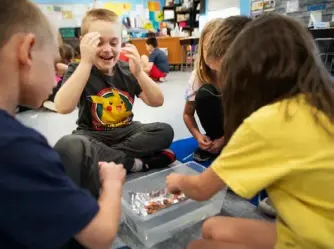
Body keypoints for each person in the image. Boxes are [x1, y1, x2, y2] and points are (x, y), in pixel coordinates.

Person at [166, 13, 334, 249]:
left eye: (224, 74)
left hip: (315, 242)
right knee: (211, 227)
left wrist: (175, 179)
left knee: (197, 246)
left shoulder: (265, 123)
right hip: (313, 229)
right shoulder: (320, 101)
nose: (221, 83)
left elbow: (200, 189)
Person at [0, 1, 128, 249]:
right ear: (27, 51)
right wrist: (113, 184)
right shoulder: (11, 144)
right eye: (52, 62)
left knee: (76, 148)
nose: (54, 78)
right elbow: (101, 237)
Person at [54, 9, 175, 177]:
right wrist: (85, 63)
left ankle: (105, 158)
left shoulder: (127, 70)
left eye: (113, 42)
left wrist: (139, 73)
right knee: (71, 144)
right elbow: (62, 107)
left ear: (121, 43)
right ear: (84, 44)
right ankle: (139, 163)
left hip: (127, 131)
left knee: (164, 130)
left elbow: (157, 101)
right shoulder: (78, 70)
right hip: (92, 134)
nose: (107, 49)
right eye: (98, 43)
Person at [183, 19, 222, 162]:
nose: (213, 55)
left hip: (241, 128)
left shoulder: (240, 74)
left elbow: (248, 116)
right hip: (217, 132)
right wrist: (199, 137)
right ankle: (213, 141)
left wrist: (225, 139)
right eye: (208, 49)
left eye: (220, 49)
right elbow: (188, 114)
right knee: (205, 93)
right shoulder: (197, 76)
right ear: (201, 49)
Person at [44, 43, 75, 111]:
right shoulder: (49, 75)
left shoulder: (71, 72)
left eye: (67, 62)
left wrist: (68, 70)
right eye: (63, 62)